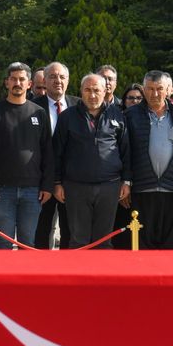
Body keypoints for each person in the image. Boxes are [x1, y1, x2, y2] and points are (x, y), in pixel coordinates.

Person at [0, 63, 53, 249]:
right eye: (13, 79)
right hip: (2, 190)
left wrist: (47, 185)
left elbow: (48, 152)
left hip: (33, 191)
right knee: (3, 242)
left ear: (29, 84)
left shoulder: (39, 113)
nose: (17, 83)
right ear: (6, 82)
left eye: (21, 79)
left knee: (27, 243)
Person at [53, 74, 129, 249]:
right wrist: (57, 183)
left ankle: (102, 268)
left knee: (104, 241)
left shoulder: (117, 115)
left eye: (96, 90)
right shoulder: (67, 117)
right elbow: (57, 153)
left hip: (110, 186)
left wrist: (127, 181)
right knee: (78, 240)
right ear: (81, 91)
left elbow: (126, 151)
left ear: (105, 91)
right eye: (88, 90)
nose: (92, 95)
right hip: (76, 187)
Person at [125, 71, 173, 249]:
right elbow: (125, 152)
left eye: (159, 88)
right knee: (141, 245)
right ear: (144, 90)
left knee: (172, 246)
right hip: (142, 189)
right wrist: (126, 183)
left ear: (168, 90)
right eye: (150, 89)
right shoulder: (130, 116)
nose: (155, 94)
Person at [34, 61, 77, 248]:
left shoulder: (79, 105)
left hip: (72, 180)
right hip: (41, 180)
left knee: (70, 231)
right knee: (42, 230)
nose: (57, 80)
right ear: (44, 81)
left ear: (68, 80)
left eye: (62, 77)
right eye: (52, 77)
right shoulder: (32, 107)